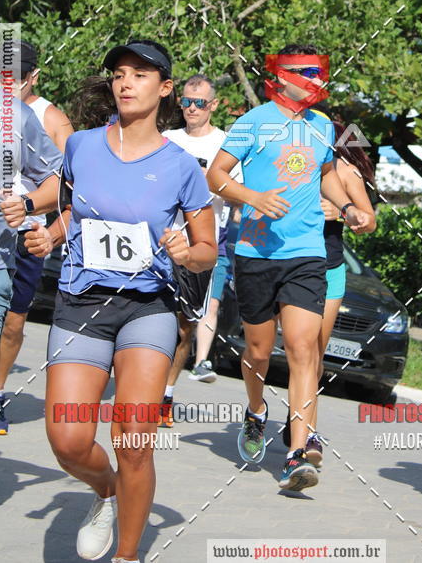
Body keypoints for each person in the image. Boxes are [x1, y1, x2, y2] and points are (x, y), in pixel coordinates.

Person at [25, 39, 217, 563]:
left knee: (134, 439)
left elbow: (207, 251)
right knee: (67, 439)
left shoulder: (182, 165)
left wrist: (187, 251)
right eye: (119, 74)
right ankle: (107, 489)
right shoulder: (83, 145)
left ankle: (127, 556)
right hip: (81, 303)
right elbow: (70, 205)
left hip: (148, 309)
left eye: (139, 74)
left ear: (166, 88)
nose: (126, 82)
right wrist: (45, 226)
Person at [207, 43, 373, 491]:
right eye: (302, 72)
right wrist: (253, 198)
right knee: (259, 352)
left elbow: (325, 176)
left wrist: (348, 207)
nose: (313, 79)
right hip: (257, 253)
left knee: (303, 349)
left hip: (306, 253)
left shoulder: (323, 127)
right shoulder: (254, 122)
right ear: (279, 76)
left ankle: (298, 452)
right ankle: (257, 409)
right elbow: (216, 175)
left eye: (318, 72)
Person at [281, 115, 377, 467]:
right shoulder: (292, 164)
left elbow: (370, 220)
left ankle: (305, 429)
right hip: (289, 264)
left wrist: (344, 213)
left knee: (314, 355)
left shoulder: (347, 172)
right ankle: (291, 425)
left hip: (330, 268)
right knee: (295, 351)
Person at [0, 40, 73, 435]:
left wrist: (48, 227)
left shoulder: (44, 117)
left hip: (23, 235)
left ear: (32, 77)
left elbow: (67, 183)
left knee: (13, 324)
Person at [158, 73, 238, 426]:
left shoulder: (225, 145)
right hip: (160, 242)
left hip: (202, 247)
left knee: (183, 329)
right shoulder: (166, 139)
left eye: (199, 103)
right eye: (186, 102)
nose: (191, 109)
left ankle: (166, 393)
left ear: (214, 105)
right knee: (147, 317)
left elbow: (236, 196)